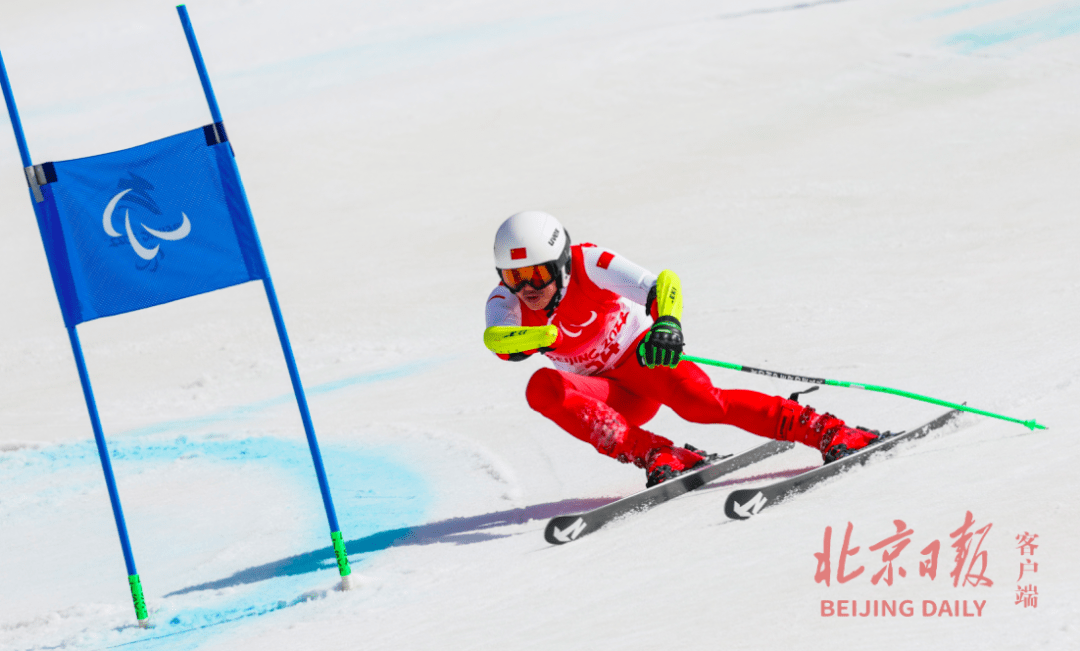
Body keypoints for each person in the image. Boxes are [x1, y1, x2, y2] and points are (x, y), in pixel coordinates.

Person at [483, 211, 880, 487]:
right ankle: (657, 454)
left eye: (537, 273)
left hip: (644, 360)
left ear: (561, 264)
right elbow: (499, 341)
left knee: (701, 404)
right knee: (543, 387)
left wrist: (667, 323)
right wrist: (539, 337)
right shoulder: (504, 302)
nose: (527, 288)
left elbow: (662, 284)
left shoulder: (588, 261)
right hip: (609, 396)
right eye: (515, 277)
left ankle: (824, 429)